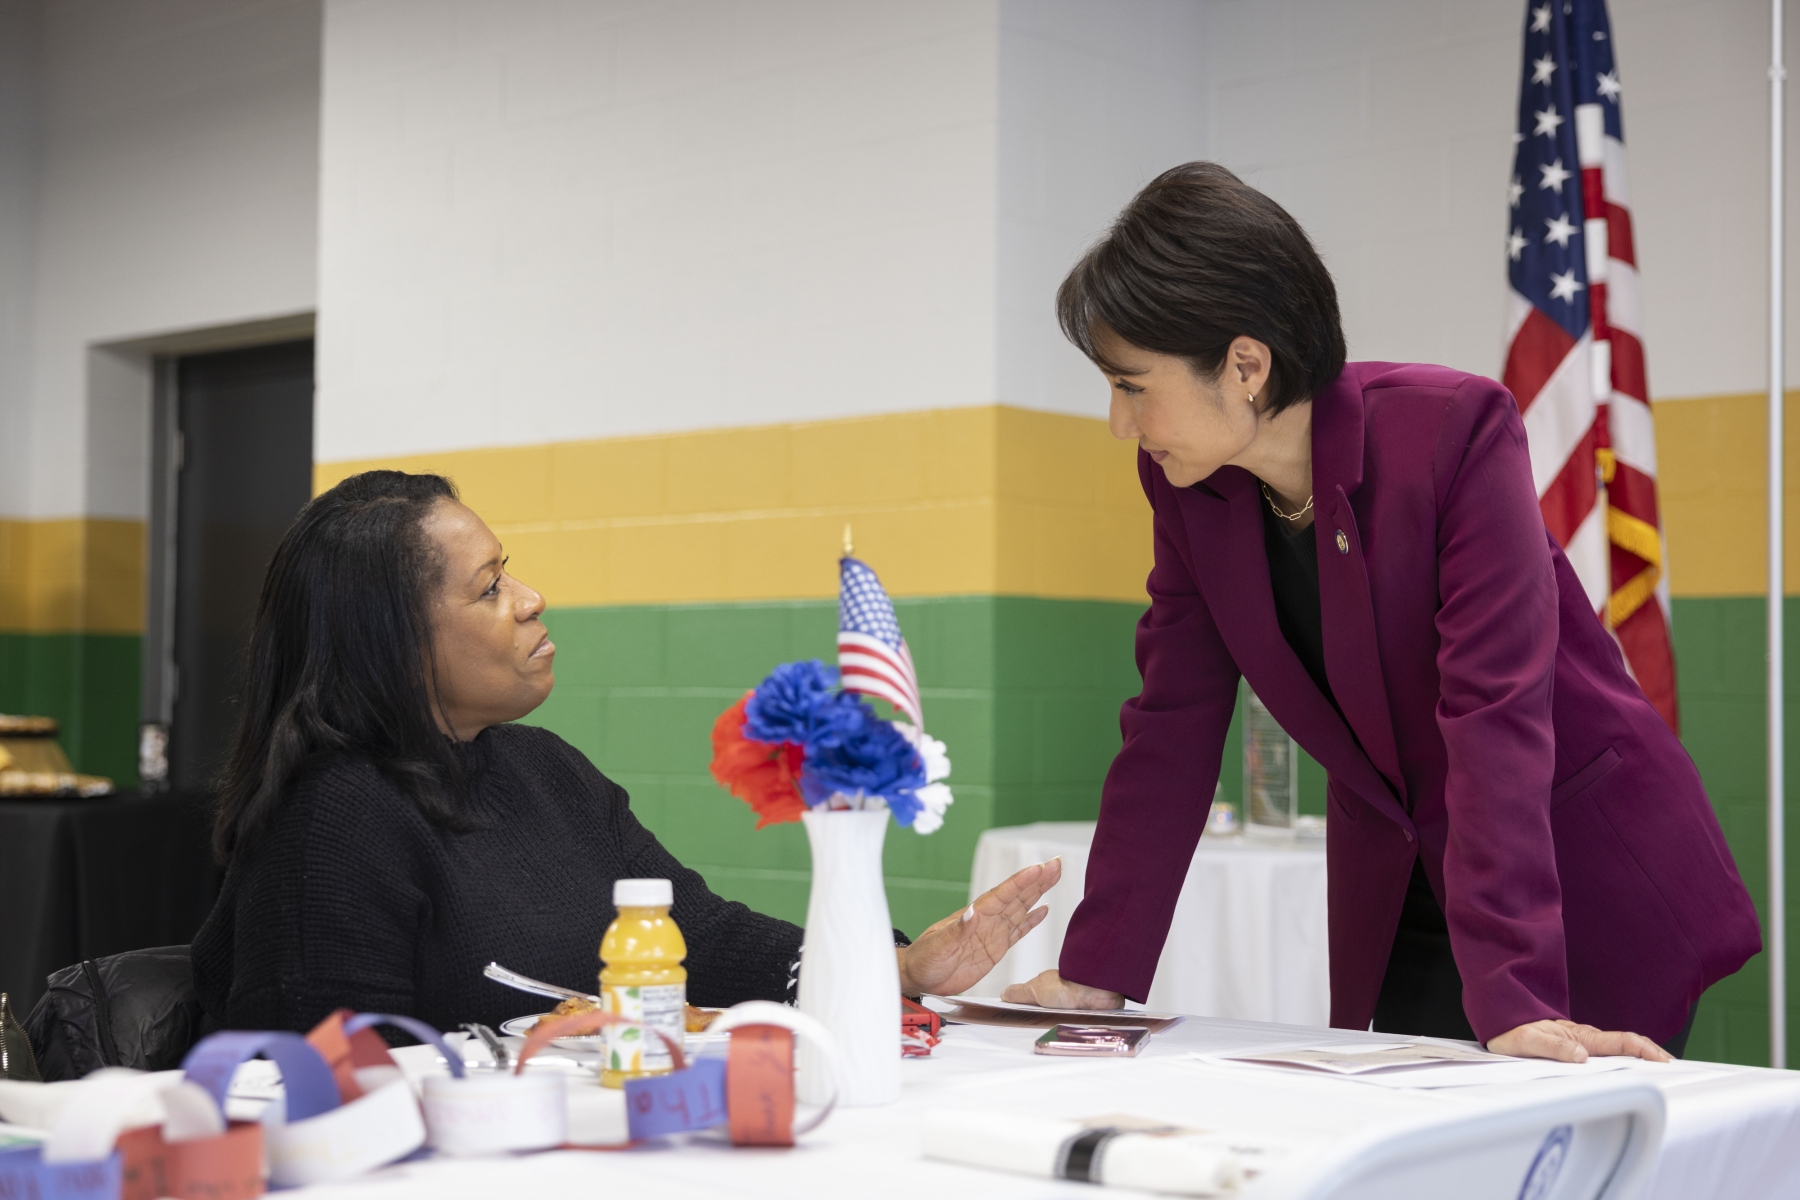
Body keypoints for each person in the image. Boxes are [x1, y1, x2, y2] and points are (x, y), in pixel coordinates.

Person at [1002, 162, 1760, 1063]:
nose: (1119, 424)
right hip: (1410, 887)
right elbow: (1171, 725)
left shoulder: (1452, 432)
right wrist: (1099, 969)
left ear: (1246, 365)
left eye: (1132, 386)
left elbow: (1495, 713)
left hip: (1570, 875)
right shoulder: (1189, 487)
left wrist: (1516, 991)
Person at [193, 470, 1056, 1035]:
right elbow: (326, 1088)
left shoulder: (542, 768)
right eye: (490, 589)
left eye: (509, 571)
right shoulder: (332, 823)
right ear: (393, 643)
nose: (531, 598)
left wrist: (890, 965)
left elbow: (696, 933)